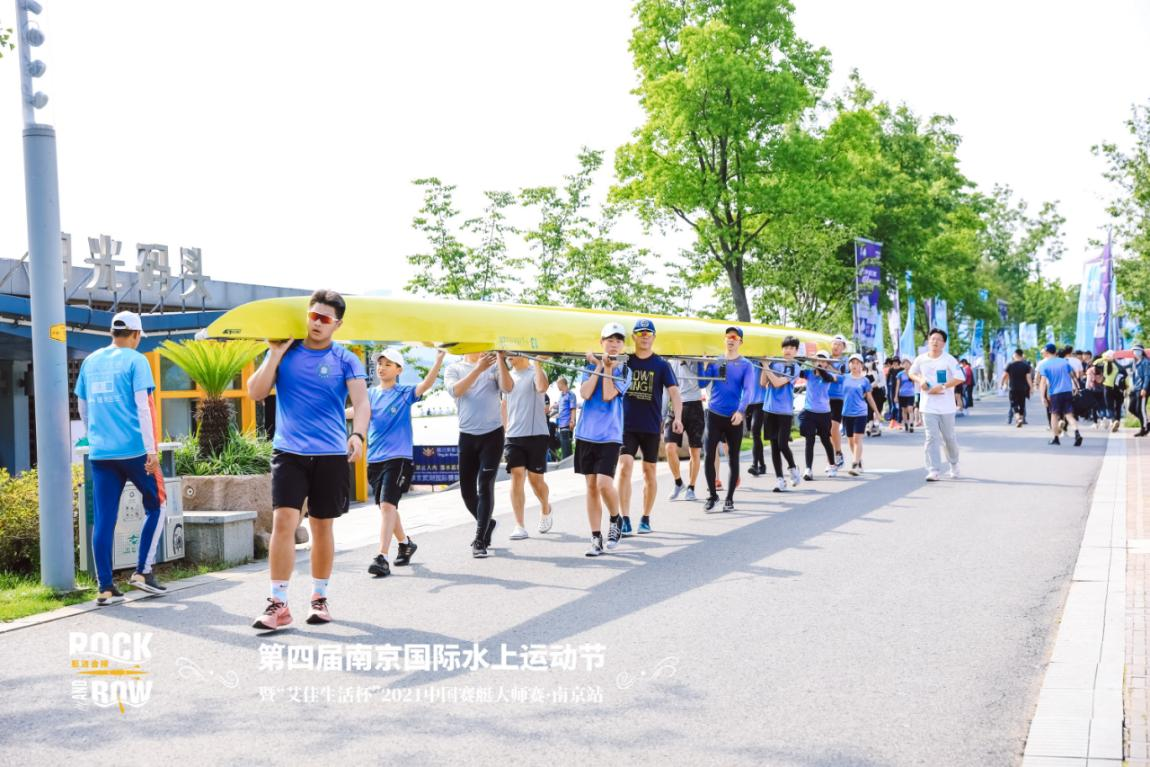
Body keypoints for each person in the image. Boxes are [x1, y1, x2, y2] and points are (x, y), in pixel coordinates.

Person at [248, 289, 369, 630]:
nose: (317, 323)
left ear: (337, 324)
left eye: (325, 319)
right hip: (289, 452)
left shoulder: (346, 359)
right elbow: (256, 392)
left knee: (321, 526)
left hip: (330, 453)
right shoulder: (285, 352)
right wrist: (274, 354)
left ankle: (319, 599)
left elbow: (362, 403)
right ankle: (278, 604)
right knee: (283, 522)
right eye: (313, 316)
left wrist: (358, 435)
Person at [75, 311, 169, 606]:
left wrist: (94, 437)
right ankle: (143, 572)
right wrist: (151, 451)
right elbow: (143, 407)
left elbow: (83, 407)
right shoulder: (136, 360)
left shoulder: (90, 361)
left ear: (112, 332)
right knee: (158, 505)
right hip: (136, 452)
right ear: (136, 335)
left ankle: (105, 587)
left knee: (104, 519)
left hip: (101, 454)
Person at [358, 348, 445, 577]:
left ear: (399, 370)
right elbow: (357, 412)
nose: (382, 367)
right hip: (375, 459)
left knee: (387, 506)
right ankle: (405, 544)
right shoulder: (370, 394)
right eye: (380, 363)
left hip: (399, 458)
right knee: (386, 507)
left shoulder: (405, 393)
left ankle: (381, 557)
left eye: (388, 364)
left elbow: (426, 384)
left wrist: (438, 359)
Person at [617, 319, 682, 535]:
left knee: (649, 472)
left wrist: (678, 418)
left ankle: (645, 518)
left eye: (648, 333)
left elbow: (674, 393)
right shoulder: (626, 362)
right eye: (640, 333)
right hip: (627, 425)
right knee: (625, 467)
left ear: (654, 337)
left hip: (651, 426)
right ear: (633, 337)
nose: (644, 336)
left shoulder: (661, 365)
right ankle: (625, 518)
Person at [575, 322, 632, 556]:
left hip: (610, 435)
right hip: (586, 433)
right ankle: (595, 537)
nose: (614, 344)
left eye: (618, 341)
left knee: (603, 484)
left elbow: (608, 395)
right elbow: (586, 393)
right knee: (590, 486)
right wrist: (599, 365)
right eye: (610, 340)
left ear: (623, 345)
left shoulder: (626, 371)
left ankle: (616, 519)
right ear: (602, 342)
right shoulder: (589, 366)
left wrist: (608, 368)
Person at [445, 350, 509, 558]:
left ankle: (480, 539)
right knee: (467, 491)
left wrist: (500, 359)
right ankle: (487, 522)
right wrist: (478, 369)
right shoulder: (454, 368)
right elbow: (455, 391)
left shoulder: (494, 365)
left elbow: (508, 388)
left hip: (493, 435)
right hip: (467, 436)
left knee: (485, 484)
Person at [701, 327, 757, 512]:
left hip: (734, 417)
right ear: (724, 340)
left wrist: (741, 411)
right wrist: (703, 365)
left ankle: (729, 498)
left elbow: (749, 390)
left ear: (740, 341)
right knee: (709, 456)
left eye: (734, 337)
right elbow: (702, 383)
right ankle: (712, 496)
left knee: (733, 458)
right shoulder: (717, 361)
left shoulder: (746, 365)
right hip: (714, 414)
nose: (731, 340)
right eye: (728, 336)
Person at [499, 353, 553, 540]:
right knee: (517, 476)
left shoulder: (535, 371)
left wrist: (537, 363)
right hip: (513, 436)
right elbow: (504, 405)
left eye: (511, 353)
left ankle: (545, 508)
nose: (508, 357)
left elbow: (542, 387)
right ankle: (519, 525)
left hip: (536, 434)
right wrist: (504, 432)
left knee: (536, 480)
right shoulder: (507, 376)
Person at [909, 328, 965, 482]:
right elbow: (912, 373)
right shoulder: (921, 359)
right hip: (928, 405)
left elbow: (960, 377)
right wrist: (920, 380)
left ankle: (954, 463)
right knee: (931, 437)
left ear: (943, 343)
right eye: (932, 339)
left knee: (949, 438)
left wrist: (943, 387)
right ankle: (933, 470)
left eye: (938, 339)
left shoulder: (949, 359)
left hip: (946, 406)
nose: (935, 342)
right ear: (928, 341)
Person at [761, 336, 803, 492]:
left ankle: (793, 468)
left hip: (784, 410)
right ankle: (780, 479)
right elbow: (763, 383)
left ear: (796, 351)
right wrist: (765, 364)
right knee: (773, 446)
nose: (788, 351)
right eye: (785, 347)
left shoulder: (795, 367)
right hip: (769, 408)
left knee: (782, 444)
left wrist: (766, 366)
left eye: (791, 348)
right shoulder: (774, 362)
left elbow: (777, 383)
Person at [665, 358, 705, 501]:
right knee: (669, 447)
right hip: (675, 405)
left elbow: (699, 383)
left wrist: (685, 363)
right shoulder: (669, 361)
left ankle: (691, 487)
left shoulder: (696, 360)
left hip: (694, 405)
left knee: (694, 451)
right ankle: (678, 483)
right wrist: (662, 413)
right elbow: (666, 389)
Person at [798, 350, 841, 480]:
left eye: (823, 361)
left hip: (824, 413)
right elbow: (797, 366)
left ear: (827, 364)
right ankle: (808, 469)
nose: (820, 362)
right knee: (809, 440)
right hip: (809, 412)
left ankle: (832, 465)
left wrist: (819, 367)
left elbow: (826, 377)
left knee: (825, 440)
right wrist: (806, 359)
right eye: (818, 360)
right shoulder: (809, 373)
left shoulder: (830, 375)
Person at [841, 353, 880, 475]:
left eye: (857, 363)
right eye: (852, 363)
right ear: (849, 365)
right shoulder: (844, 378)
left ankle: (855, 464)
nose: (854, 365)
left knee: (857, 439)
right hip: (847, 412)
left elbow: (869, 397)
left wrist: (877, 412)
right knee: (850, 440)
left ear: (861, 365)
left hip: (860, 413)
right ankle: (858, 460)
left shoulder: (865, 381)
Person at [1037, 342, 1082, 447]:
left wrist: (1042, 397)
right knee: (1069, 415)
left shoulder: (1044, 365)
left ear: (1047, 352)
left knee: (1054, 415)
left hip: (1055, 393)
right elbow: (1073, 376)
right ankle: (1077, 433)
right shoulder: (1064, 362)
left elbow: (1043, 382)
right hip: (1067, 391)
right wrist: (1077, 388)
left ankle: (1056, 438)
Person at [826, 334, 849, 468]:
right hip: (824, 397)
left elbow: (843, 378)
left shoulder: (845, 361)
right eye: (834, 344)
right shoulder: (824, 358)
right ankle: (831, 457)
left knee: (834, 428)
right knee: (827, 430)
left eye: (839, 345)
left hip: (838, 397)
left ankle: (838, 452)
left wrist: (830, 369)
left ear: (843, 348)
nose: (836, 347)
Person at [745, 360, 768, 477]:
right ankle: (762, 465)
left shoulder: (760, 360)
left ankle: (754, 465)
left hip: (760, 402)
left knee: (755, 432)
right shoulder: (743, 360)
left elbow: (764, 382)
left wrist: (763, 362)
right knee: (755, 435)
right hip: (747, 403)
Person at [1000, 349, 1033, 428]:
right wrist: (1031, 387)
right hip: (1023, 388)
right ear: (1022, 355)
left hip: (1013, 388)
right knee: (1022, 404)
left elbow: (1004, 375)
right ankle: (1020, 418)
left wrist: (1001, 384)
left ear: (1015, 355)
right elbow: (1028, 378)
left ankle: (1018, 418)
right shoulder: (1026, 366)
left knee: (1013, 403)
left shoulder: (1010, 365)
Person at [553, 376, 578, 458]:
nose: (557, 386)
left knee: (567, 448)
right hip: (561, 424)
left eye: (558, 384)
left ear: (562, 384)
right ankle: (566, 462)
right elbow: (560, 408)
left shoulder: (571, 395)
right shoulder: (561, 396)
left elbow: (573, 409)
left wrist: (572, 421)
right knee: (564, 447)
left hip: (567, 424)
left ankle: (568, 463)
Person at [1131, 344, 1150, 436]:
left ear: (1141, 351)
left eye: (1137, 350)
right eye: (1134, 350)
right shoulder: (1135, 362)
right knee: (1131, 408)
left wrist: (1144, 388)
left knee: (1140, 409)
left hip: (1142, 389)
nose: (1135, 352)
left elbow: (1147, 376)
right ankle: (1147, 423)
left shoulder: (1145, 362)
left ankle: (1144, 428)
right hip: (1136, 388)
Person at [897, 359, 917, 433]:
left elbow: (914, 384)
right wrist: (896, 396)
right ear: (902, 365)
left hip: (911, 394)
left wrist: (915, 392)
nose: (906, 365)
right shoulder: (900, 374)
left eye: (908, 364)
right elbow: (898, 385)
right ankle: (905, 423)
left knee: (910, 409)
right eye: (905, 364)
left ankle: (911, 424)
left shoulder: (913, 373)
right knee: (904, 410)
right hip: (902, 394)